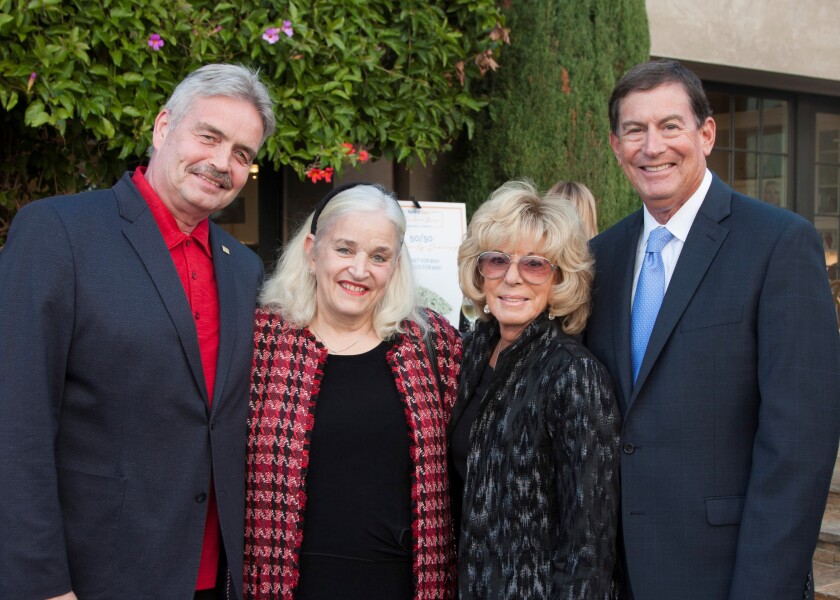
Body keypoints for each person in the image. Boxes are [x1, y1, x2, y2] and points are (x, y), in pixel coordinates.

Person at [0, 64, 275, 600]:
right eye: (209, 136)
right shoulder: (59, 233)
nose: (222, 163)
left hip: (213, 578)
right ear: (162, 126)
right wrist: (41, 584)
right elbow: (15, 422)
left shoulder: (244, 270)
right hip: (94, 578)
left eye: (243, 154)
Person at [585, 59, 840, 599]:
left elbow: (798, 444)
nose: (652, 147)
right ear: (615, 145)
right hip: (618, 577)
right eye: (635, 130)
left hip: (729, 576)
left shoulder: (779, 245)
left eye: (670, 126)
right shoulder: (599, 258)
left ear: (706, 133)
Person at [243, 183, 462, 599]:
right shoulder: (261, 343)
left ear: (395, 266)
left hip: (402, 586)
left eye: (378, 257)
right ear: (312, 251)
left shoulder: (433, 345)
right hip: (284, 586)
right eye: (344, 249)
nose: (360, 270)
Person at [451, 180, 621, 599]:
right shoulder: (471, 351)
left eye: (534, 264)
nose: (512, 277)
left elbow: (589, 542)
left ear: (560, 277)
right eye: (497, 260)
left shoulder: (574, 375)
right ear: (479, 269)